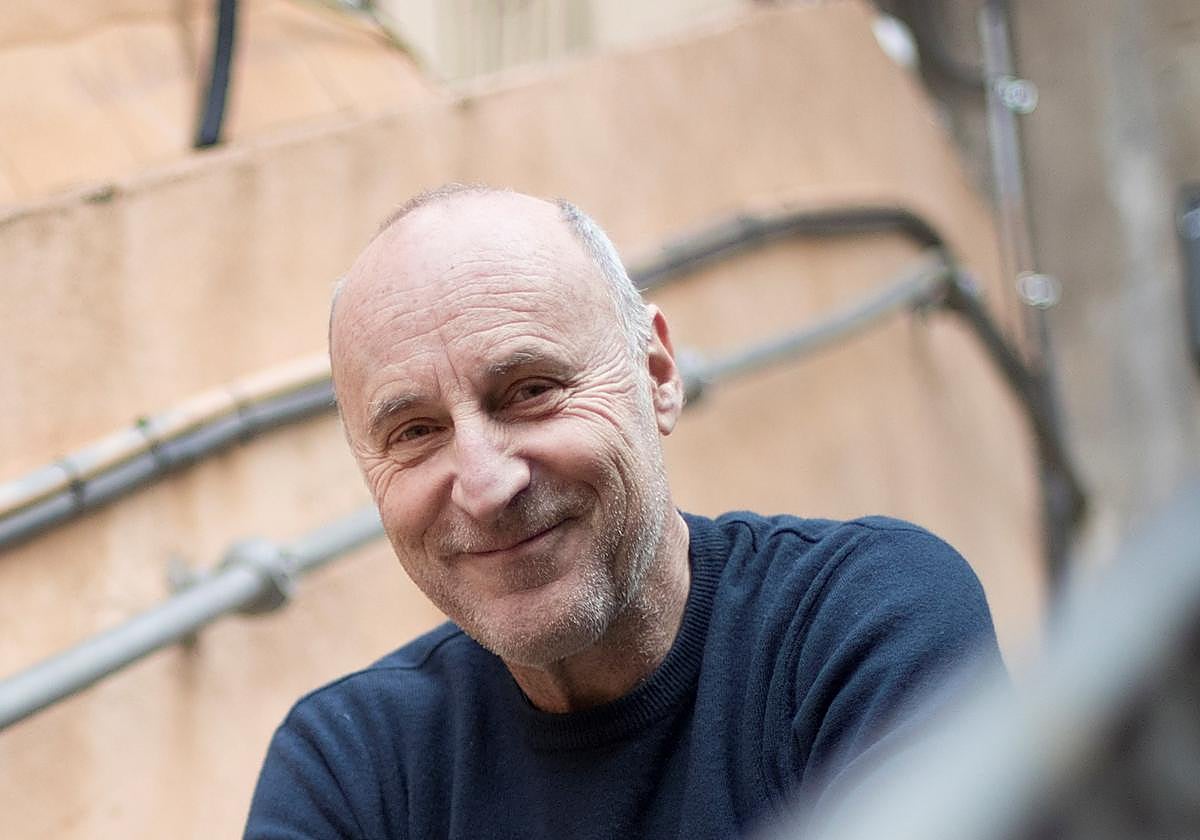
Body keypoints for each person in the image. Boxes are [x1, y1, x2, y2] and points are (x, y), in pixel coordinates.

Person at [244, 185, 1002, 839]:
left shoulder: (865, 622)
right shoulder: (350, 767)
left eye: (531, 391)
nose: (485, 484)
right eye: (415, 432)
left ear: (657, 373)